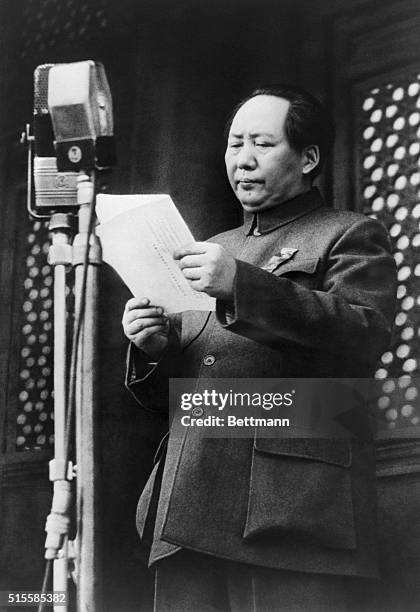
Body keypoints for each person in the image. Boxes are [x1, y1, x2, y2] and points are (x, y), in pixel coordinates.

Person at [122, 86, 397, 611]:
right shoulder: (215, 247)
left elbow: (365, 335)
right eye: (234, 144)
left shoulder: (349, 234)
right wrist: (156, 346)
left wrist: (242, 286)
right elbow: (180, 395)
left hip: (288, 503)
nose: (243, 159)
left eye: (262, 144)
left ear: (308, 157)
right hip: (187, 502)